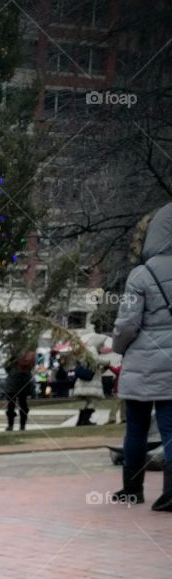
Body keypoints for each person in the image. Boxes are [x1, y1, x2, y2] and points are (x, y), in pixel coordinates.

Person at [112, 203, 172, 510]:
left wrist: (118, 347)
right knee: (170, 430)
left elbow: (127, 324)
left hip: (143, 364)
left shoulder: (141, 274)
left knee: (135, 428)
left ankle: (132, 489)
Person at [4, 350, 35, 431]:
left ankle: (10, 425)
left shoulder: (12, 363)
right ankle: (22, 425)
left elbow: (6, 367)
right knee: (23, 405)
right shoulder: (27, 363)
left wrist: (11, 359)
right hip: (23, 385)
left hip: (12, 386)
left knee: (11, 406)